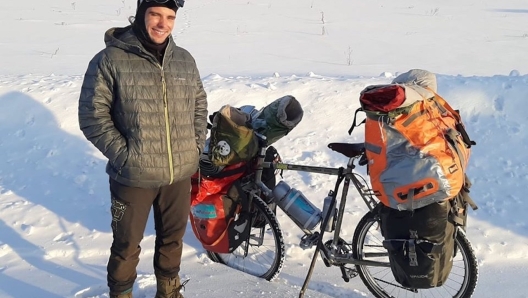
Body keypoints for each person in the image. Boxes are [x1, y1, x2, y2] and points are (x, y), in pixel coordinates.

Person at [78, 0, 208, 297]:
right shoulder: (110, 59)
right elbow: (92, 116)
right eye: (155, 15)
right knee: (126, 246)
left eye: (170, 17)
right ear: (141, 15)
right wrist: (127, 156)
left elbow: (199, 105)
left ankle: (169, 291)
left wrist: (194, 146)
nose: (163, 24)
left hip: (178, 174)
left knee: (172, 240)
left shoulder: (184, 60)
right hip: (133, 176)